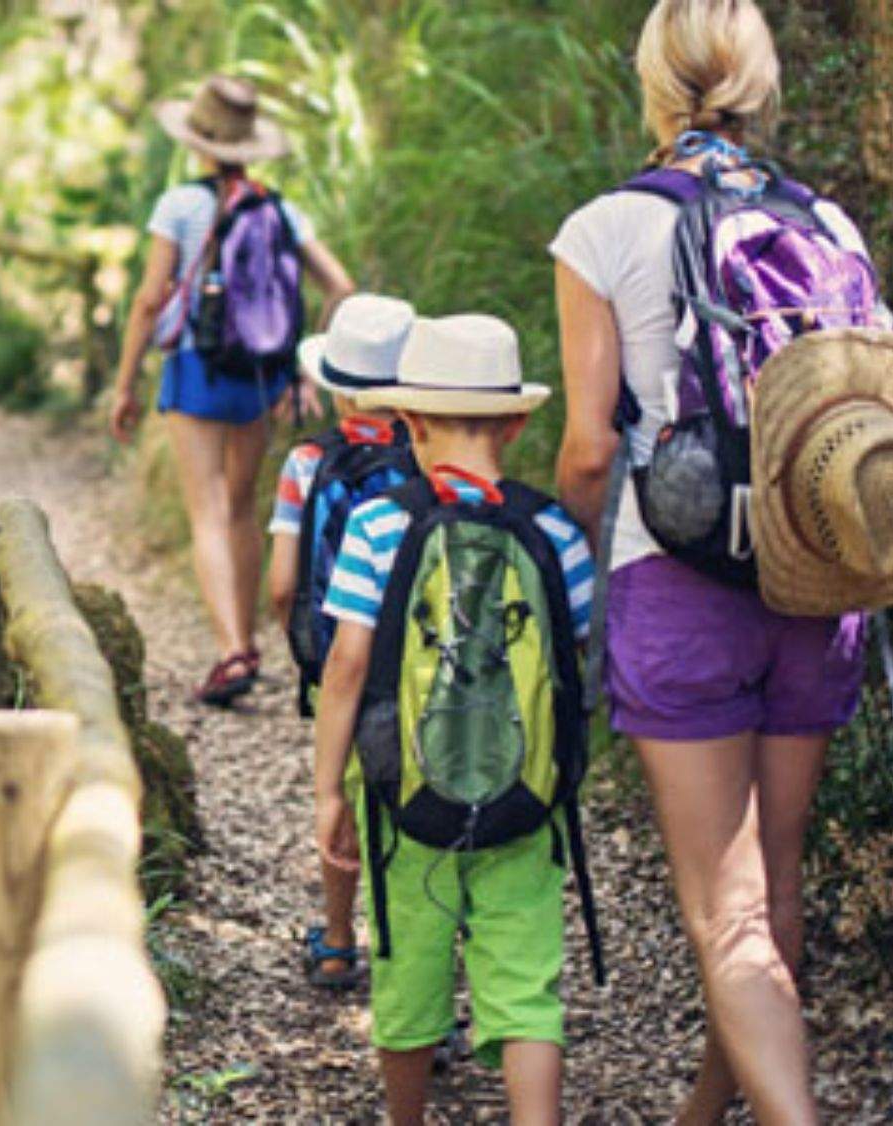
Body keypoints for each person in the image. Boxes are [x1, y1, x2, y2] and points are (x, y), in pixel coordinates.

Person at [549, 2, 872, 1121]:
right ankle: (701, 1110)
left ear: (651, 85)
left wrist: (564, 564)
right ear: (758, 82)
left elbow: (590, 449)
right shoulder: (827, 223)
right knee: (771, 884)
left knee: (723, 910)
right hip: (818, 575)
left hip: (677, 579)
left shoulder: (602, 230)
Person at [313, 315, 593, 1126]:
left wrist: (329, 787)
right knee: (526, 979)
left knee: (408, 966)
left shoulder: (377, 526)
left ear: (411, 422)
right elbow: (572, 660)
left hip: (405, 794)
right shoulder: (553, 532)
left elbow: (347, 665)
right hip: (527, 794)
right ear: (516, 422)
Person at [109, 74, 355, 706]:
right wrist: (305, 367)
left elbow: (149, 298)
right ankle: (246, 639)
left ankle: (233, 650)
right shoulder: (278, 208)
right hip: (260, 370)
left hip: (197, 367)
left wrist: (126, 382)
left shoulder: (181, 206)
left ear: (198, 141)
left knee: (207, 511)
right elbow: (342, 288)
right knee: (243, 507)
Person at [268, 294, 418, 991]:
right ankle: (423, 972)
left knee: (345, 801)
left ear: (334, 390)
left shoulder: (307, 462)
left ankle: (336, 939)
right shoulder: (434, 458)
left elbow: (279, 580)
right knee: (417, 815)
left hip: (341, 666)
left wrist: (302, 643)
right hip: (422, 670)